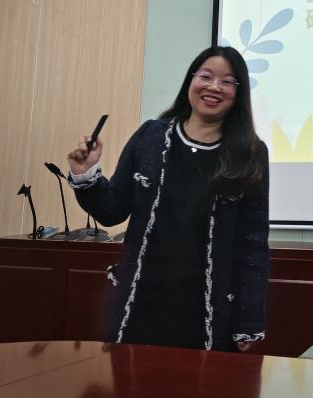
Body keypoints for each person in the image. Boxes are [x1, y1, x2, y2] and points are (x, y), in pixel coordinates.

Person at [66, 46, 268, 352]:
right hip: (139, 304)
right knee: (132, 382)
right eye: (206, 76)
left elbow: (252, 242)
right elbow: (111, 210)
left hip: (210, 312)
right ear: (191, 80)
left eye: (227, 81)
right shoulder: (150, 136)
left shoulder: (250, 153)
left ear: (238, 93)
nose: (214, 87)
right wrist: (86, 173)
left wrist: (248, 321)